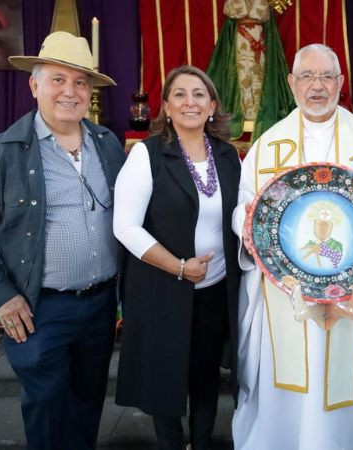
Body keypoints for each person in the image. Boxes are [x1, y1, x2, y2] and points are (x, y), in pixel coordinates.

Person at [0, 31, 124, 448]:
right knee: (46, 407)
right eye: (58, 80)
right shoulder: (3, 150)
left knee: (87, 404)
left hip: (101, 305)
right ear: (34, 85)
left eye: (81, 82)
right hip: (39, 308)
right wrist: (3, 296)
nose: (70, 91)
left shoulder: (107, 143)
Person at [231, 43, 353, 450]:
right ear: (293, 83)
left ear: (340, 83)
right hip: (287, 291)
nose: (317, 86)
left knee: (346, 376)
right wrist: (245, 225)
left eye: (326, 77)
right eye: (307, 77)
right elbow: (245, 203)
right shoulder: (268, 144)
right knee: (290, 375)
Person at [113, 65, 241, 450]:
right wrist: (180, 268)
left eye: (200, 94)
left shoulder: (228, 155)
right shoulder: (146, 155)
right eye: (180, 94)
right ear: (166, 106)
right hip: (161, 286)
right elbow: (125, 227)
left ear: (213, 105)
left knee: (205, 377)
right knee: (165, 376)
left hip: (215, 289)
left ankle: (202, 442)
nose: (191, 102)